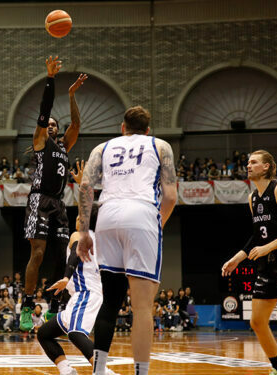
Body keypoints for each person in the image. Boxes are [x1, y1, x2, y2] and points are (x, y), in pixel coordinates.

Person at [77, 105, 177, 375]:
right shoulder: (162, 146)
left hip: (107, 215)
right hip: (142, 213)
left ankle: (98, 371)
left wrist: (85, 231)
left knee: (110, 300)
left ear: (122, 127)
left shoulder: (101, 148)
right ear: (147, 130)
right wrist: (158, 225)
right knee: (142, 306)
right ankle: (141, 373)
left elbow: (85, 187)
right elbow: (170, 197)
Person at [222, 149, 277, 375]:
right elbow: (257, 237)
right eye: (248, 162)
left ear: (266, 167)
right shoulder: (252, 199)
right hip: (267, 265)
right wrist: (238, 257)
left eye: (253, 162)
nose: (248, 165)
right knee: (257, 322)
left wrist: (268, 247)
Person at [21, 55, 88, 331]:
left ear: (57, 131)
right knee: (38, 254)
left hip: (59, 204)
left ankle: (56, 310)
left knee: (62, 256)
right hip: (39, 199)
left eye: (53, 125)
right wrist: (50, 79)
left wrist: (72, 94)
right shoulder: (40, 142)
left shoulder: (63, 146)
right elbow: (44, 109)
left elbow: (76, 125)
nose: (50, 126)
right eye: (46, 124)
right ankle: (26, 306)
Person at [37, 209, 117, 375]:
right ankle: (66, 370)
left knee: (75, 333)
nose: (78, 217)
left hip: (86, 293)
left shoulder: (79, 235)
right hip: (85, 294)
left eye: (82, 215)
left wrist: (66, 277)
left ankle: (103, 371)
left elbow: (75, 252)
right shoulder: (100, 240)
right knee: (44, 333)